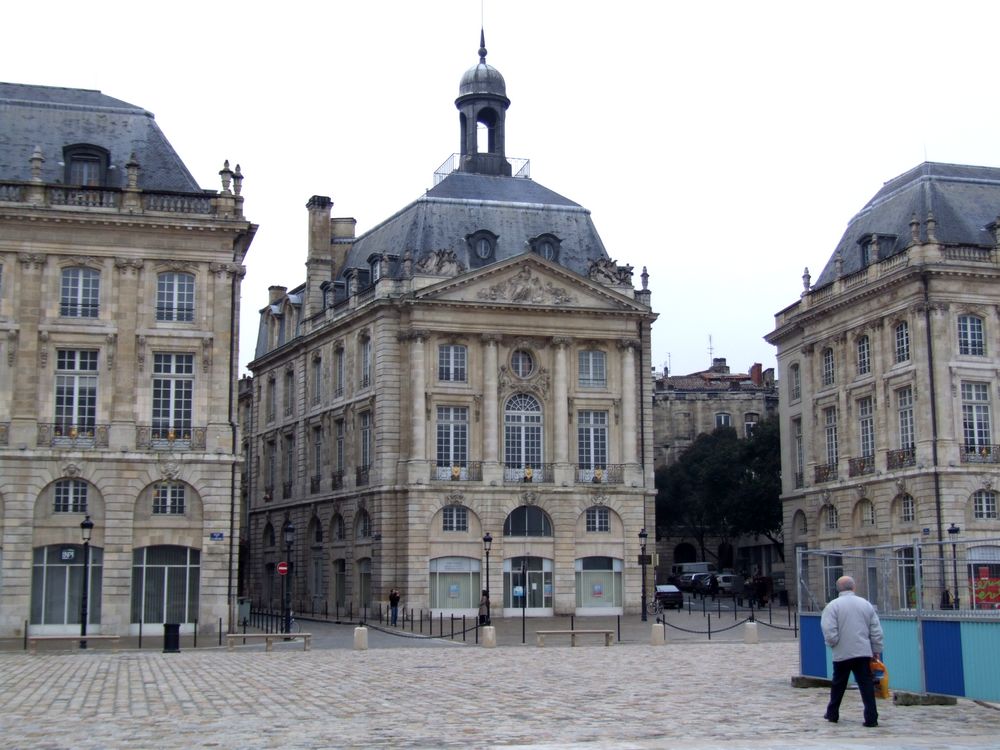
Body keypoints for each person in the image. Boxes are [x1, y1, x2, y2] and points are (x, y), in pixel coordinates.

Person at [820, 575, 884, 728]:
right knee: (866, 685)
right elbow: (875, 629)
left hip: (842, 652)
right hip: (863, 651)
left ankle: (832, 713)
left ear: (838, 590)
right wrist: (876, 649)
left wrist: (833, 643)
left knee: (838, 684)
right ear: (853, 587)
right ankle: (871, 717)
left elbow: (829, 629)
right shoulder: (865, 604)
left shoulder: (832, 606)